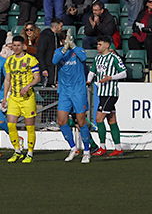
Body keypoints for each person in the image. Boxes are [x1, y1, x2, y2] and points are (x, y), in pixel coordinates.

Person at [52, 30, 93, 163]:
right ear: (61, 41)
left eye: (69, 39)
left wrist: (73, 45)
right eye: (65, 40)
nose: (67, 42)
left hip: (78, 91)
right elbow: (54, 61)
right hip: (64, 91)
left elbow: (84, 58)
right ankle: (73, 148)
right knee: (61, 121)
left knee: (81, 122)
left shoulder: (78, 50)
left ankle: (87, 151)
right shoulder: (59, 51)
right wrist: (64, 49)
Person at [2, 35, 41, 163]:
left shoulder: (31, 60)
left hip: (27, 98)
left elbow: (37, 77)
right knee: (11, 124)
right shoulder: (9, 61)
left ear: (23, 46)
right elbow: (8, 79)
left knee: (29, 126)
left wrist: (28, 86)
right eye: (14, 45)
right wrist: (5, 97)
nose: (16, 48)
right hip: (14, 97)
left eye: (19, 45)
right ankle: (17, 150)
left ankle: (29, 152)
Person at [86, 35, 127, 157]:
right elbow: (92, 71)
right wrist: (88, 81)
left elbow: (124, 73)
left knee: (99, 118)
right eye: (97, 44)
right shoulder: (98, 58)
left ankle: (102, 147)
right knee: (111, 120)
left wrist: (110, 77)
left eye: (100, 44)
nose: (98, 46)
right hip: (102, 93)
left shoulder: (113, 57)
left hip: (110, 93)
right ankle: (118, 148)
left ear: (107, 45)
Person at [36, 18, 63, 87]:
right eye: (61, 26)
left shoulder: (56, 36)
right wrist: (43, 68)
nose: (61, 28)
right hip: (47, 69)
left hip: (54, 68)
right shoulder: (45, 36)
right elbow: (40, 53)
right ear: (55, 26)